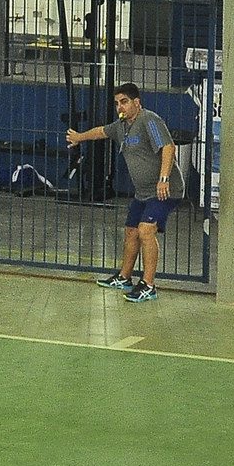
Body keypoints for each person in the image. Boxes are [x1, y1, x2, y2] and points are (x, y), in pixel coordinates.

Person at [64, 82, 183, 302]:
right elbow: (101, 131)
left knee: (146, 231)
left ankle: (148, 285)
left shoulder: (149, 120)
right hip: (142, 193)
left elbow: (168, 147)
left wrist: (163, 179)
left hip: (165, 190)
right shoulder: (121, 125)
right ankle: (124, 277)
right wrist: (79, 137)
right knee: (131, 232)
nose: (120, 107)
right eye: (117, 103)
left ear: (136, 102)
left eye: (125, 102)